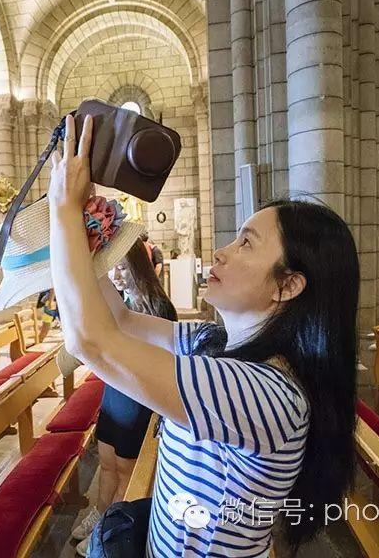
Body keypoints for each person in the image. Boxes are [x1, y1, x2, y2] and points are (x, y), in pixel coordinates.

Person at [49, 114, 358, 557]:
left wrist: (62, 211)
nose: (222, 251)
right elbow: (116, 322)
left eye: (246, 244)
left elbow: (90, 340)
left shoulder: (266, 393)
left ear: (287, 285)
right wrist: (85, 226)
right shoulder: (212, 343)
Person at [73, 241, 177, 556]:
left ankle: (110, 531)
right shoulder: (120, 299)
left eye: (120, 267)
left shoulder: (158, 306)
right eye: (111, 267)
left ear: (136, 267)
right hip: (114, 388)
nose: (116, 273)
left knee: (124, 469)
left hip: (138, 393)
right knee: (106, 461)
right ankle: (100, 515)